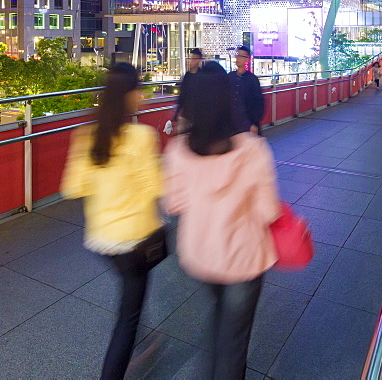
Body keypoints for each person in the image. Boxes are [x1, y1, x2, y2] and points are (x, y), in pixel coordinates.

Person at [163, 62, 280, 379]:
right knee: (235, 339)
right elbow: (268, 211)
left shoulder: (177, 150)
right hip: (243, 258)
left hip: (202, 254)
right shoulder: (253, 151)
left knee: (219, 319)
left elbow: (174, 204)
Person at [62, 63, 164, 380]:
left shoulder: (87, 135)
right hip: (135, 240)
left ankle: (146, 342)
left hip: (101, 240)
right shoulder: (141, 137)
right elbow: (157, 187)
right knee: (127, 318)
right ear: (131, 95)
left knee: (130, 295)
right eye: (140, 90)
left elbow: (72, 188)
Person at [165, 47, 204, 135]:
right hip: (186, 113)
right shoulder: (187, 75)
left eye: (194, 58)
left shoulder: (202, 76)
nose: (191, 61)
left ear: (199, 60)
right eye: (191, 58)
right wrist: (177, 112)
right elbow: (183, 94)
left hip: (198, 115)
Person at [229, 45, 264, 134]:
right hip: (231, 124)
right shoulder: (230, 76)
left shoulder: (252, 79)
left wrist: (254, 123)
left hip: (247, 124)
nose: (238, 58)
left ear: (247, 59)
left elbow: (258, 103)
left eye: (241, 56)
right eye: (237, 55)